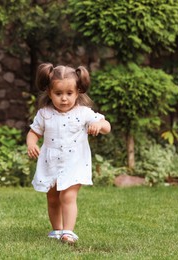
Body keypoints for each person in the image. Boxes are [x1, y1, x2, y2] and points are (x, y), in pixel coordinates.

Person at [26, 63, 111, 244]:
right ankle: (57, 230)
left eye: (69, 94)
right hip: (51, 163)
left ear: (78, 91)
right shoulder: (44, 114)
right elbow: (34, 132)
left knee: (68, 195)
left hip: (75, 162)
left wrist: (98, 125)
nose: (64, 99)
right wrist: (31, 143)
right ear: (49, 92)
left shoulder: (84, 113)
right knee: (52, 197)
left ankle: (68, 232)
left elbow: (106, 126)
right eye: (58, 94)